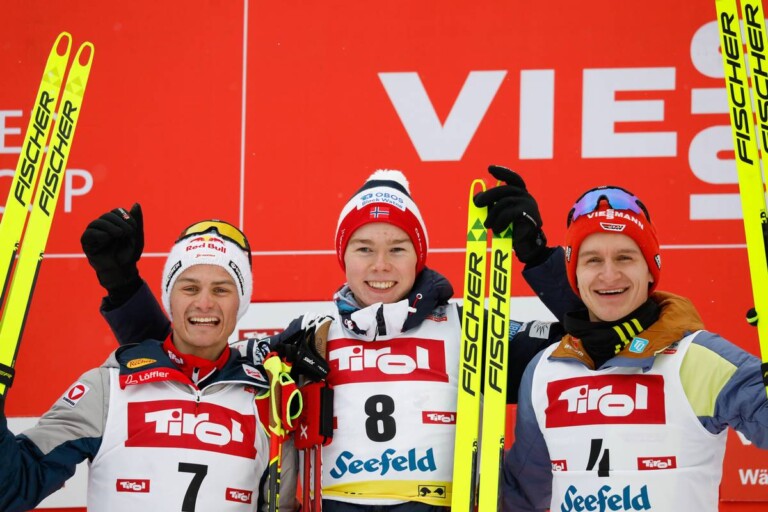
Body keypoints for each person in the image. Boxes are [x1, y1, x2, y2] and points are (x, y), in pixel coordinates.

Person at [81, 169, 564, 511]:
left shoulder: (468, 326)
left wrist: (538, 257)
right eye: (363, 248)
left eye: (398, 249)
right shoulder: (309, 334)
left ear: (418, 257)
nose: (380, 265)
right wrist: (124, 287)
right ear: (343, 257)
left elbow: (585, 346)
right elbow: (188, 358)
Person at [491, 182, 768, 511]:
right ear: (574, 275)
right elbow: (521, 495)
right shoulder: (544, 371)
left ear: (650, 270)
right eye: (592, 260)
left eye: (625, 257)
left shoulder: (699, 360)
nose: (609, 275)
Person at [0, 218, 299, 511]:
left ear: (240, 302)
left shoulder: (266, 404)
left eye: (221, 290)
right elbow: (12, 487)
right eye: (190, 288)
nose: (205, 303)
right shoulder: (108, 388)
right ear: (170, 297)